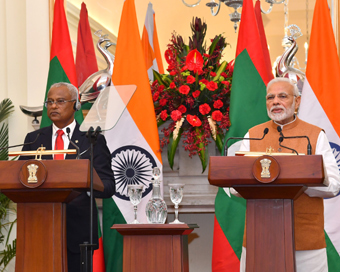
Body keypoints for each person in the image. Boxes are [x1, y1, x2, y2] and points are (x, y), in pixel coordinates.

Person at [236, 77, 340, 272]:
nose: (276, 101)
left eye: (282, 96)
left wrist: (303, 182)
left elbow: (334, 184)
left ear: (297, 101)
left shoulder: (315, 135)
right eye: (271, 97)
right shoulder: (254, 134)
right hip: (260, 235)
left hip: (305, 238)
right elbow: (234, 185)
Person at [19, 82, 115, 272]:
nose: (54, 106)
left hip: (78, 233)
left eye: (60, 101)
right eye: (50, 101)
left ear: (76, 105)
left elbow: (108, 186)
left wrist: (84, 184)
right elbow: (19, 180)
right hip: (39, 230)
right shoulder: (34, 139)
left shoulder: (91, 139)